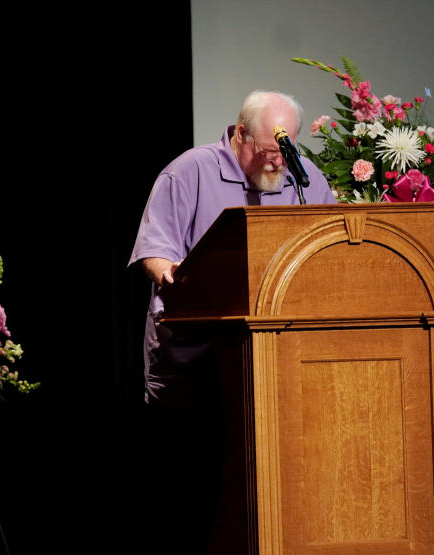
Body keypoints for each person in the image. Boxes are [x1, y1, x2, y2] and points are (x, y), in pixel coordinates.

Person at [129, 90, 335, 404]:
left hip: (284, 355)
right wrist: (170, 273)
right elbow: (155, 251)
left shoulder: (304, 177)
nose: (278, 162)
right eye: (268, 151)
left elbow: (331, 253)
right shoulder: (190, 170)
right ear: (241, 133)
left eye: (286, 149)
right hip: (195, 358)